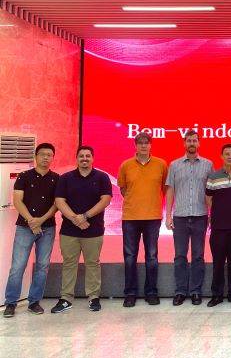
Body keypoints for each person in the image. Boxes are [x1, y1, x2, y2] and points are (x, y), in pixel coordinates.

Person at [51, 146, 112, 313]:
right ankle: (66, 299)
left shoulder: (102, 177)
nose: (84, 159)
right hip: (69, 231)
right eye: (81, 156)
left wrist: (84, 216)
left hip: (93, 230)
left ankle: (94, 297)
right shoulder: (66, 178)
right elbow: (59, 201)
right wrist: (75, 219)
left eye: (87, 156)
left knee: (93, 263)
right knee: (69, 264)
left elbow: (105, 200)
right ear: (76, 158)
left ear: (93, 158)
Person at [3, 143, 59, 318]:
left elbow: (57, 203)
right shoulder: (24, 176)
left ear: (52, 157)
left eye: (49, 155)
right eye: (42, 154)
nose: (45, 157)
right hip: (24, 227)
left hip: (47, 228)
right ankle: (10, 303)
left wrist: (41, 220)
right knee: (18, 266)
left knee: (42, 266)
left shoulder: (57, 178)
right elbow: (17, 200)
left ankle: (34, 302)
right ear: (36, 156)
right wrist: (32, 221)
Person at [118, 132, 168, 307]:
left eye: (146, 143)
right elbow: (123, 189)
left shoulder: (161, 164)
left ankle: (151, 292)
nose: (143, 146)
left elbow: (164, 188)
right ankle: (130, 293)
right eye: (140, 143)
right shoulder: (126, 165)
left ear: (151, 145)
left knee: (151, 256)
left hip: (153, 217)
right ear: (135, 145)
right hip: (130, 217)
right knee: (130, 256)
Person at [165, 130, 213, 306]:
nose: (192, 143)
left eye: (194, 140)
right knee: (180, 255)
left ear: (199, 143)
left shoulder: (208, 165)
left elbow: (211, 192)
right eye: (189, 141)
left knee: (198, 256)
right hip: (180, 217)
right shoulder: (174, 165)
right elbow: (170, 190)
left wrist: (212, 213)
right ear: (184, 144)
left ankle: (195, 291)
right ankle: (180, 291)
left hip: (200, 216)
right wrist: (168, 216)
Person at [205, 144, 231, 307]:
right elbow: (208, 198)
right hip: (218, 227)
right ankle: (217, 295)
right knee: (218, 262)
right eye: (227, 154)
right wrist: (217, 212)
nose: (230, 156)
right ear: (221, 156)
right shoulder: (213, 177)